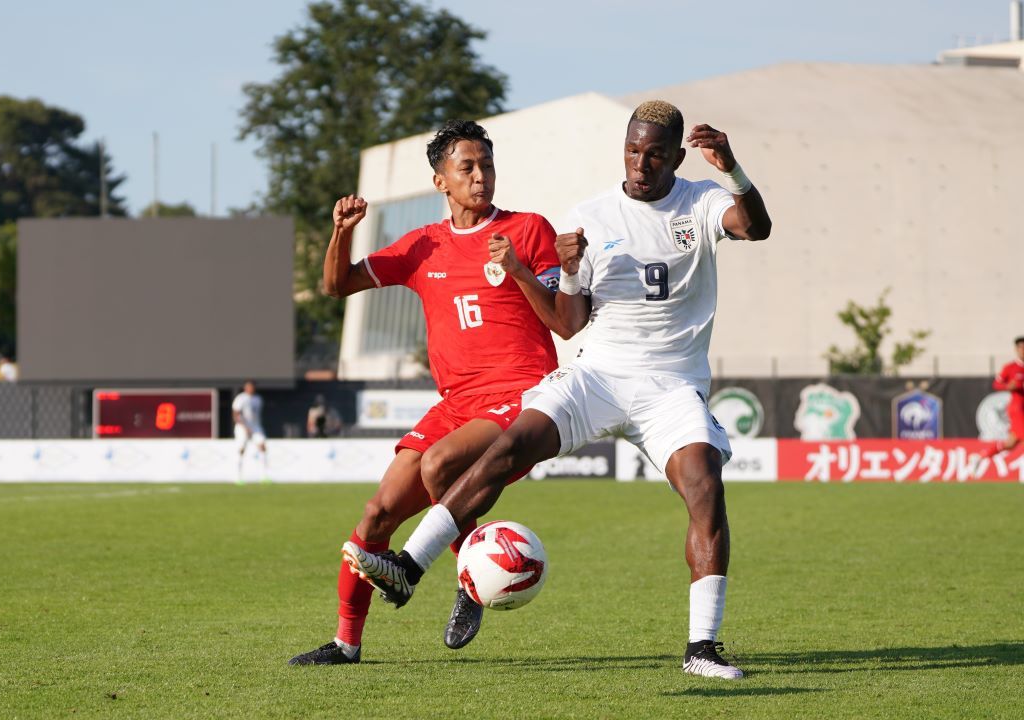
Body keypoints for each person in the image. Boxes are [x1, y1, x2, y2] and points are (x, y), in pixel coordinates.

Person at [342, 101, 773, 680]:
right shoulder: (591, 215)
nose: (640, 164)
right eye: (632, 150)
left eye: (654, 154)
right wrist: (569, 270)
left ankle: (702, 648)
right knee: (505, 450)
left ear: (676, 156)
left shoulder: (700, 200)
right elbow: (571, 321)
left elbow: (756, 227)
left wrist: (733, 170)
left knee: (704, 486)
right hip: (597, 373)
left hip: (670, 384)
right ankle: (409, 568)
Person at [290, 120, 575, 667]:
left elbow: (563, 321)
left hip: (521, 392)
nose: (480, 177)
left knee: (440, 463)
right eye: (466, 167)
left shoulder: (529, 228)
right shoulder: (424, 245)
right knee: (374, 516)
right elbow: (336, 285)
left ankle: (467, 584)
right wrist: (342, 230)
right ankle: (346, 645)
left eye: (486, 165)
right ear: (440, 180)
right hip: (456, 401)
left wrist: (517, 270)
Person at [990, 336, 1024, 455]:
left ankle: (981, 456)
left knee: (1011, 443)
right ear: (1016, 349)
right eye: (1020, 347)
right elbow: (996, 384)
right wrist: (1008, 387)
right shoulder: (1010, 368)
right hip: (1018, 409)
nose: (1023, 349)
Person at [232, 381, 269, 482]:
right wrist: (245, 427)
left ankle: (264, 476)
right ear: (245, 387)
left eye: (252, 387)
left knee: (263, 446)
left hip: (255, 427)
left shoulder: (258, 399)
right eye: (248, 386)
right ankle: (238, 476)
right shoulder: (241, 398)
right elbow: (235, 415)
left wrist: (254, 427)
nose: (250, 388)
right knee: (241, 449)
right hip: (242, 427)